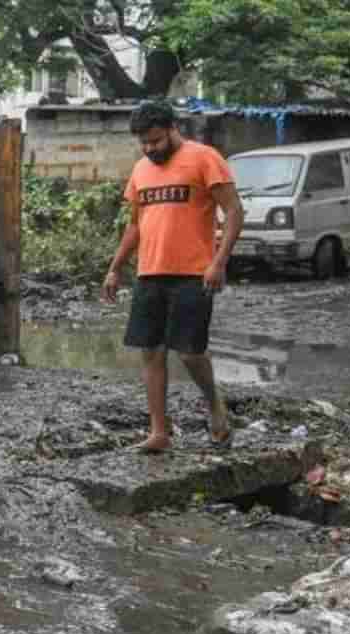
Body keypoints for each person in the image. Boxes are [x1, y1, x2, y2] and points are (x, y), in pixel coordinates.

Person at [101, 100, 243, 452]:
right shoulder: (141, 170)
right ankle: (159, 432)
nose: (150, 149)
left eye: (156, 141)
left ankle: (216, 409)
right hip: (150, 272)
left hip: (194, 272)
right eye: (144, 144)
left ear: (172, 129)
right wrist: (116, 268)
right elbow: (136, 225)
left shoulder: (204, 158)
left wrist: (219, 261)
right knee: (150, 351)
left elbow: (234, 211)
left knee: (191, 352)